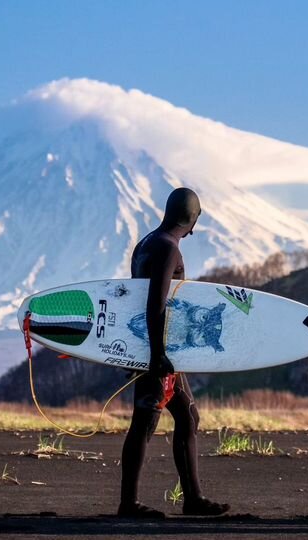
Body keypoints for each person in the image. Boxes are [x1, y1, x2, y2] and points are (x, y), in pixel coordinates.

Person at [118, 187, 230, 518]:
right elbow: (155, 304)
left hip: (151, 347)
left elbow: (133, 304)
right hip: (159, 351)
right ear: (192, 221)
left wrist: (133, 350)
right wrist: (155, 355)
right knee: (145, 421)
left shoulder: (146, 244)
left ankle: (191, 499)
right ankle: (130, 504)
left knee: (184, 416)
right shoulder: (168, 249)